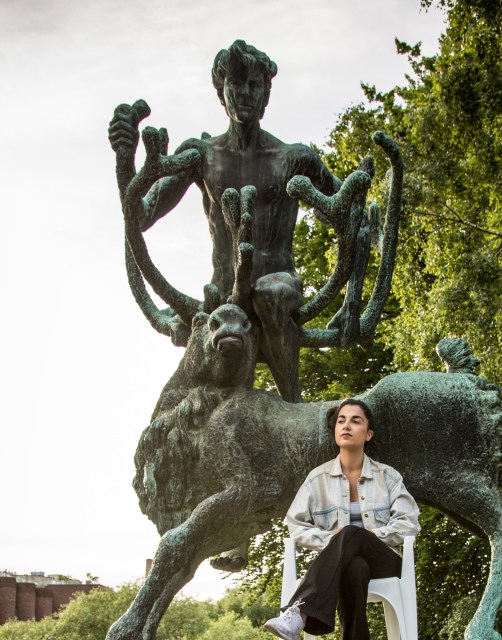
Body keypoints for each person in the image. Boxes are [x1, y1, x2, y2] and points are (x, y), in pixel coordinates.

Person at [108, 40, 338, 402]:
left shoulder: (294, 159)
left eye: (254, 85)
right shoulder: (201, 155)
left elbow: (348, 213)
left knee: (267, 293)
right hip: (223, 298)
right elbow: (139, 215)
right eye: (236, 84)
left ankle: (293, 403)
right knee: (198, 406)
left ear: (266, 94)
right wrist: (125, 158)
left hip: (278, 288)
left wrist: (351, 297)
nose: (244, 93)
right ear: (221, 92)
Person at [263, 399, 420, 640]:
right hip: (343, 566)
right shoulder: (317, 479)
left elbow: (409, 524)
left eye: (356, 420)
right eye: (341, 420)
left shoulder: (388, 477)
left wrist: (364, 536)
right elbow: (295, 524)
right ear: (335, 431)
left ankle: (299, 611)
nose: (347, 425)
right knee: (354, 567)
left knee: (350, 534)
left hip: (385, 561)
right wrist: (328, 539)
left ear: (368, 434)